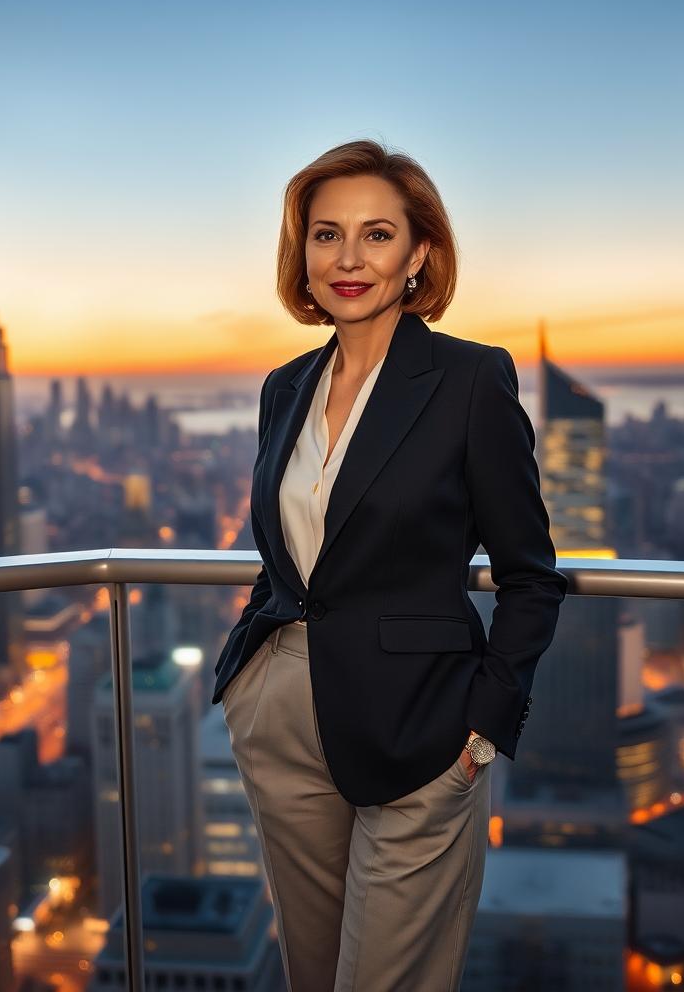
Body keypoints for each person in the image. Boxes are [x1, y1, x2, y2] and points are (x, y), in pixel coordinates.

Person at [210, 138, 568, 990]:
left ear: (419, 254)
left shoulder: (470, 380)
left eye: (376, 235)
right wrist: (250, 684)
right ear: (302, 254)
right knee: (312, 969)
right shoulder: (284, 387)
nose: (348, 258)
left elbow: (530, 574)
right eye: (326, 234)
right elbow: (290, 559)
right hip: (283, 715)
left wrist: (481, 730)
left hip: (421, 725)